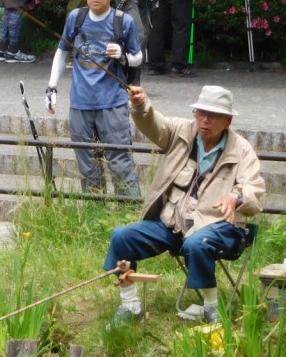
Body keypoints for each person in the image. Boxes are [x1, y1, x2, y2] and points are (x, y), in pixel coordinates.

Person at [104, 85, 264, 326]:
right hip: (172, 224)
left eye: (213, 115)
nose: (205, 120)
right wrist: (140, 105)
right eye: (200, 113)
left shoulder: (241, 150)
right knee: (122, 236)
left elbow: (254, 188)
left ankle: (211, 307)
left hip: (218, 226)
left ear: (228, 121)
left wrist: (236, 197)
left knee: (198, 242)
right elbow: (154, 125)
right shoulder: (181, 131)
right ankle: (130, 304)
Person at [46, 0, 142, 197]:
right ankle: (94, 212)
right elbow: (62, 53)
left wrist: (121, 54)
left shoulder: (123, 21)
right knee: (88, 166)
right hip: (80, 104)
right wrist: (52, 87)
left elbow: (138, 58)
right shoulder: (76, 18)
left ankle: (129, 216)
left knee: (120, 162)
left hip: (113, 104)